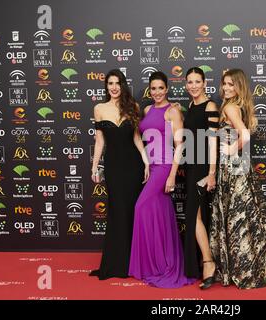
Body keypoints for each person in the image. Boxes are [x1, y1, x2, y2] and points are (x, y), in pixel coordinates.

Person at [210, 68, 266, 289]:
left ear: (239, 87)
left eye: (231, 84)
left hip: (234, 167)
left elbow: (244, 134)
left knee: (238, 216)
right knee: (245, 216)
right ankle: (248, 266)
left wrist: (231, 149)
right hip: (239, 167)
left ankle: (244, 269)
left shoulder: (231, 107)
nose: (226, 88)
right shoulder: (234, 105)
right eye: (224, 83)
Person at [128, 71, 195, 288]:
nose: (157, 92)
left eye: (161, 88)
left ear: (167, 89)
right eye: (153, 88)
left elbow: (180, 146)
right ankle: (157, 263)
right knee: (160, 212)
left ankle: (160, 264)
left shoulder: (173, 111)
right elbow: (136, 132)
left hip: (165, 167)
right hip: (152, 165)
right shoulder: (147, 109)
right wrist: (145, 160)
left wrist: (173, 174)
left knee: (141, 207)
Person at [90, 69, 149, 280]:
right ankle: (117, 263)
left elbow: (136, 138)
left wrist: (145, 161)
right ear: (106, 86)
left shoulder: (132, 107)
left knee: (133, 212)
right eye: (110, 83)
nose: (114, 87)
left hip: (132, 166)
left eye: (117, 83)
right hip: (113, 167)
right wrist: (95, 166)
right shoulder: (99, 108)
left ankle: (134, 263)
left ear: (122, 85)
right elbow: (100, 141)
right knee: (118, 211)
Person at [182, 67, 219, 289]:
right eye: (190, 82)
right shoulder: (191, 106)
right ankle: (203, 262)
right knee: (197, 215)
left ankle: (208, 263)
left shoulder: (211, 106)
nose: (193, 85)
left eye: (197, 81)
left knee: (193, 216)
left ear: (205, 83)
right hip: (192, 165)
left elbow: (213, 141)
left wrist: (211, 172)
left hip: (204, 167)